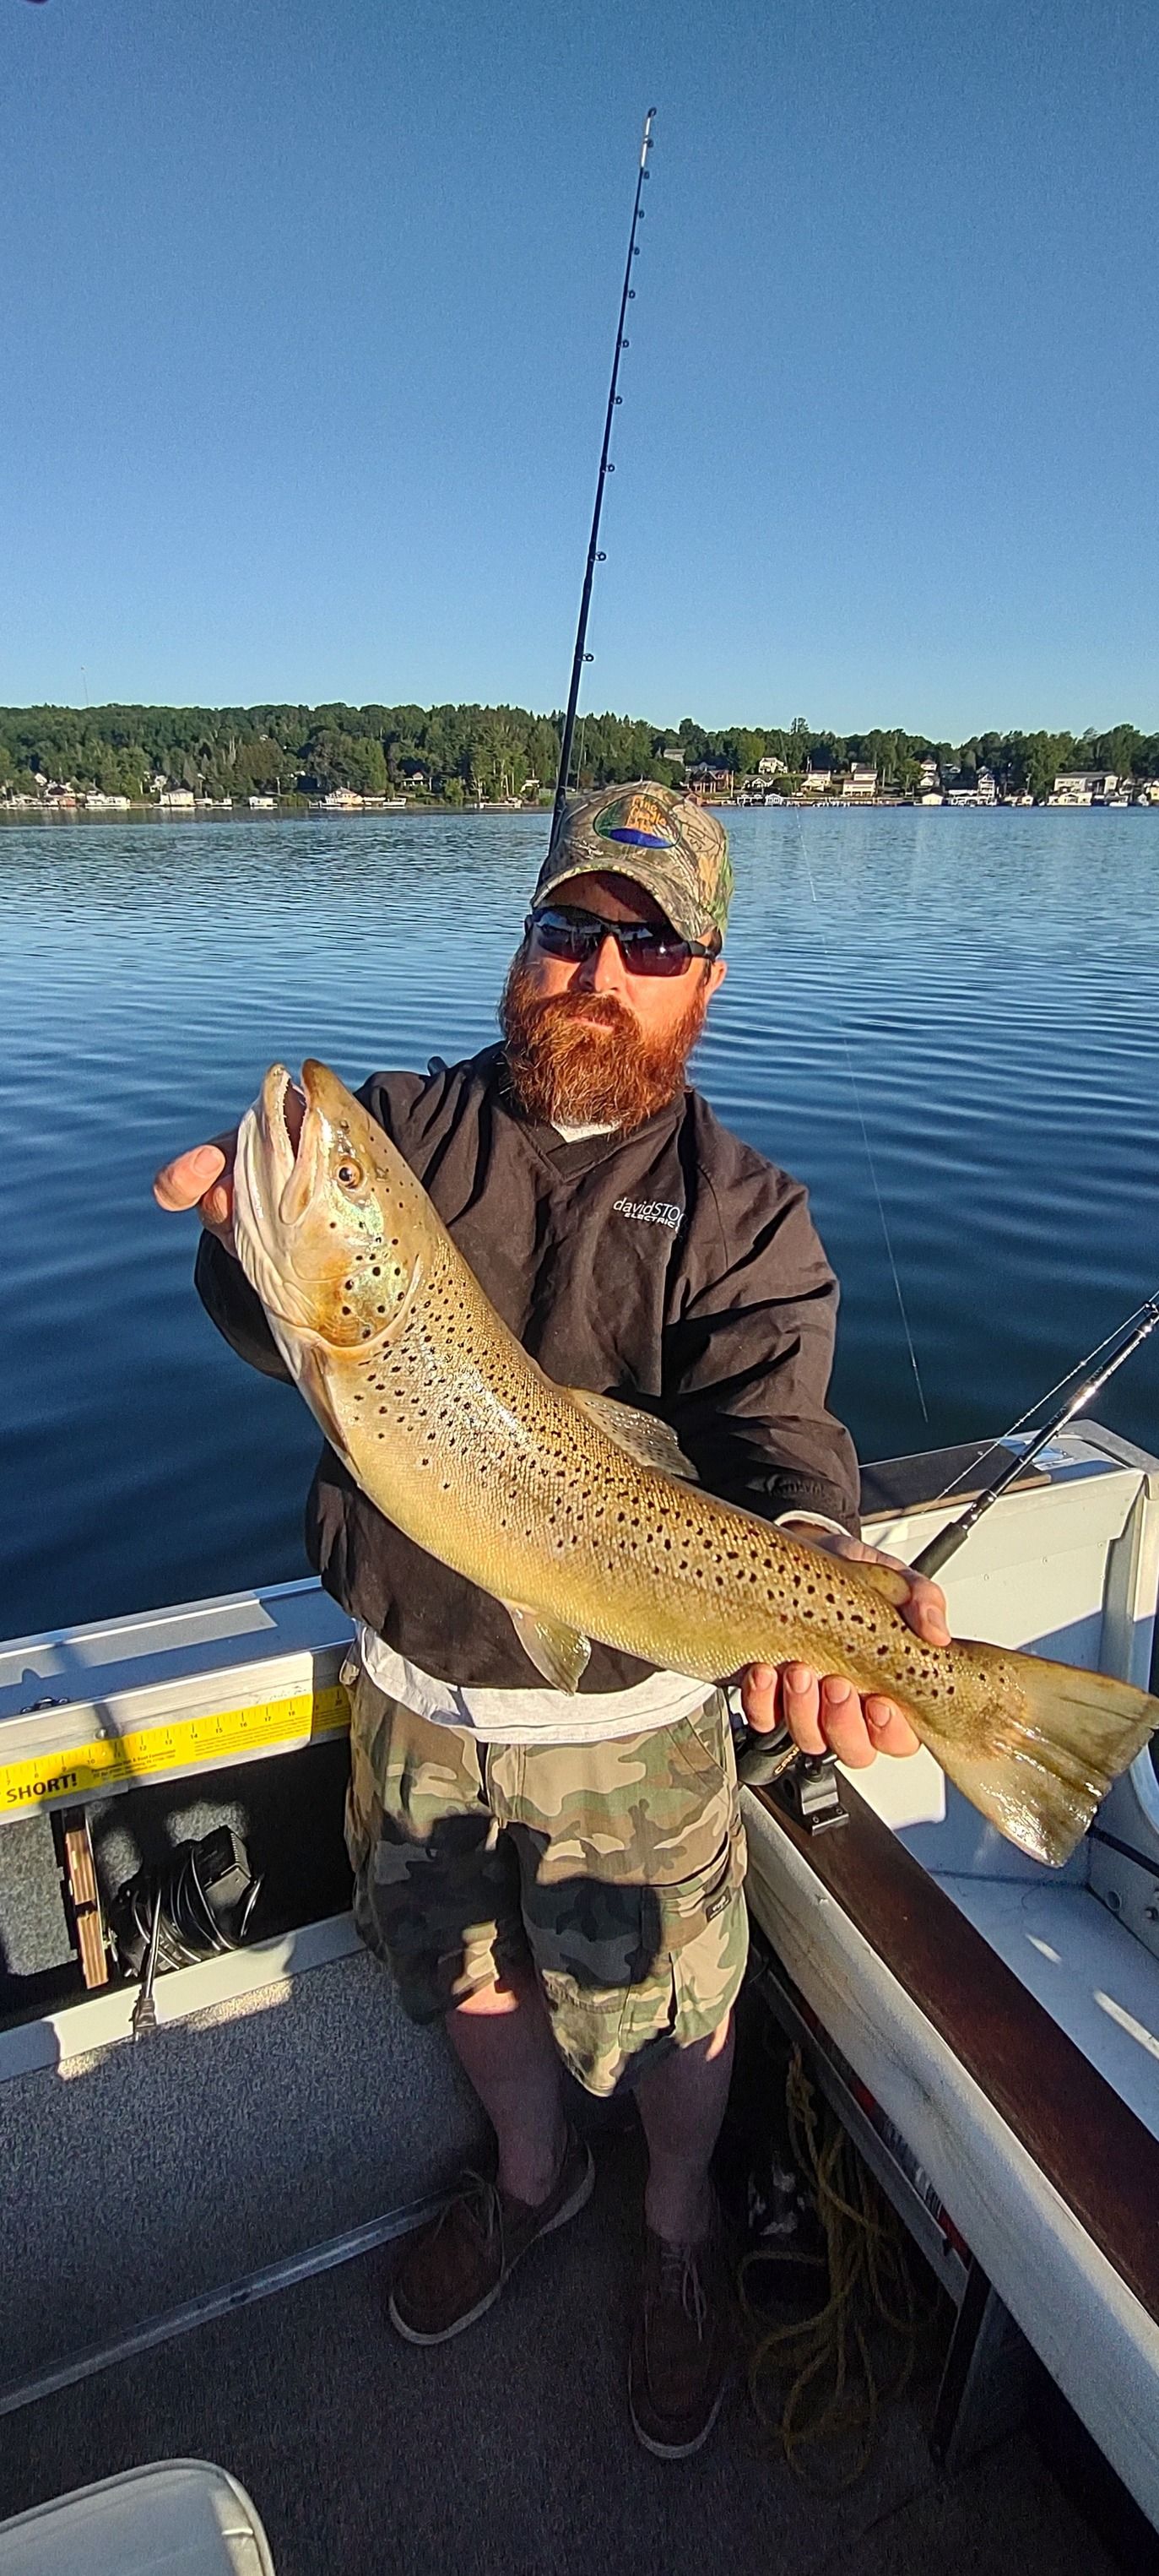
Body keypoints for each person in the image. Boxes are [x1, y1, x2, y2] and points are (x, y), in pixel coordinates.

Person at [154, 781, 949, 2459]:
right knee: (462, 1972)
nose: (596, 967)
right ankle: (531, 2176)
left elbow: (783, 1433)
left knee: (674, 2003)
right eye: (567, 927)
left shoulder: (747, 1211)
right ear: (524, 946)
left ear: (706, 977)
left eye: (644, 940)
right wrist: (238, 1247)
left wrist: (827, 1567)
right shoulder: (403, 1126)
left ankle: (672, 2223)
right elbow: (279, 1321)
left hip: (634, 1729)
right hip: (415, 1697)